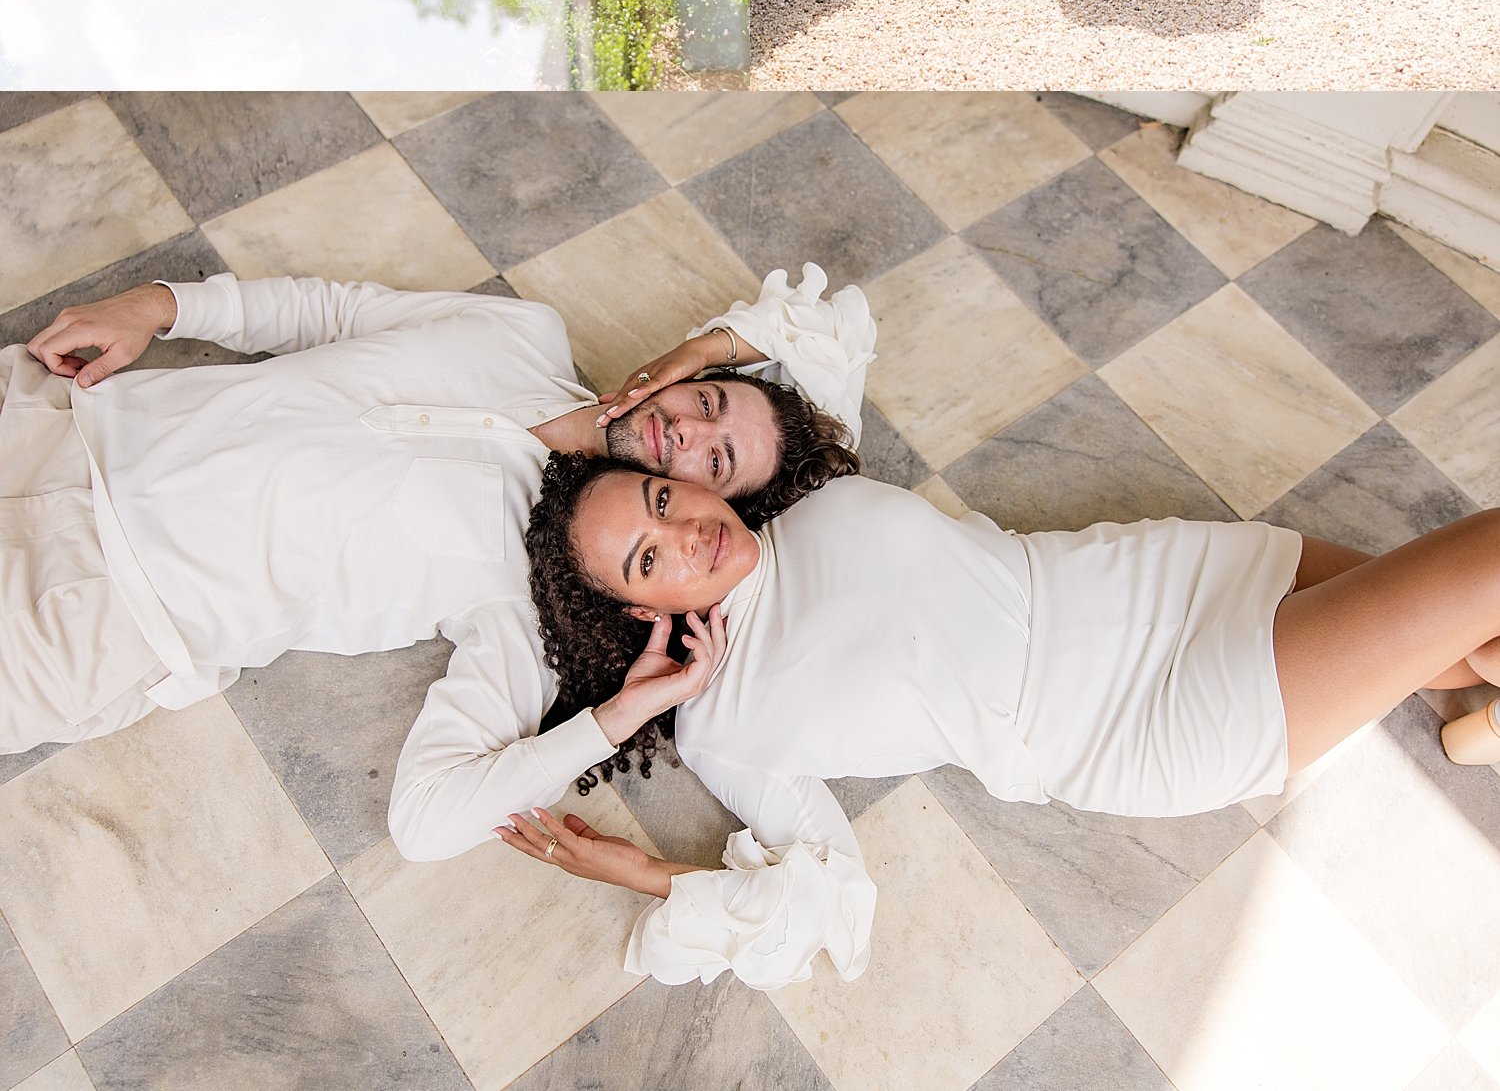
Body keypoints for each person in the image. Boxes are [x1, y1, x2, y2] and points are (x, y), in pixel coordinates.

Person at [508, 457, 1500, 991]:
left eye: (659, 497)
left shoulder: (801, 498)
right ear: (642, 611)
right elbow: (821, 883)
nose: (684, 531)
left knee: (1464, 619)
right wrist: (637, 871)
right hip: (1129, 722)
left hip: (1156, 571)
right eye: (648, 559)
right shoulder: (721, 721)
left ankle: (1478, 718)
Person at [4, 261, 870, 856]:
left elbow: (424, 821)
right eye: (710, 399)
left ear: (718, 506)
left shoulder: (535, 609)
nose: (685, 429)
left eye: (713, 463)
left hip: (93, 616)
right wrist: (161, 304)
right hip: (65, 422)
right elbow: (332, 311)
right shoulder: (525, 333)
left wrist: (615, 718)